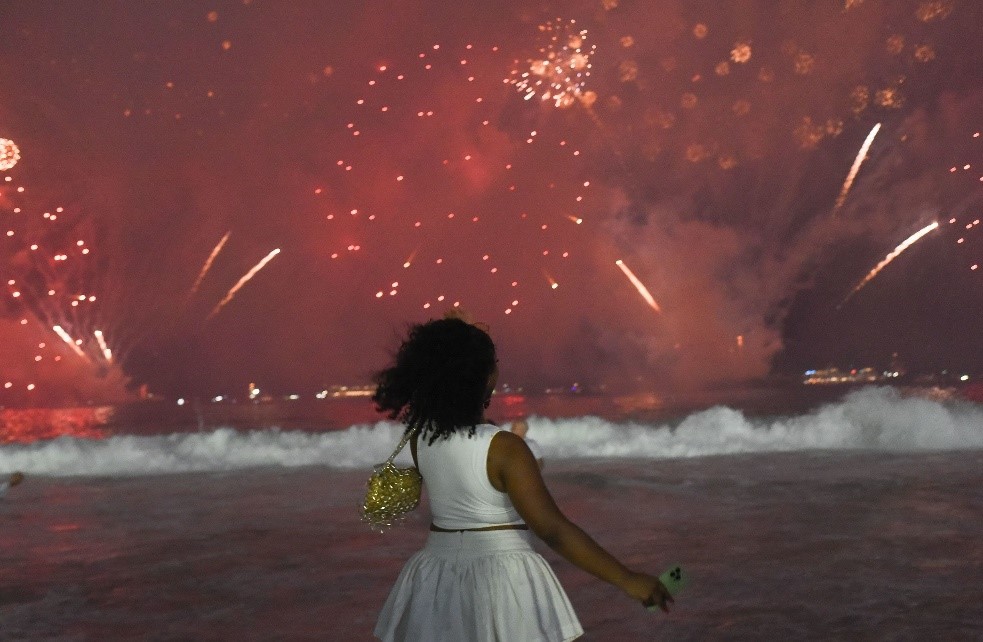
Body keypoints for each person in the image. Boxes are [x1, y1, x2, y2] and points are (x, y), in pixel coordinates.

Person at [372, 317, 672, 641]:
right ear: (486, 378)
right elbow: (553, 530)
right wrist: (627, 579)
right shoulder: (506, 449)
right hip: (501, 580)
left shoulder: (421, 440)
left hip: (435, 576)